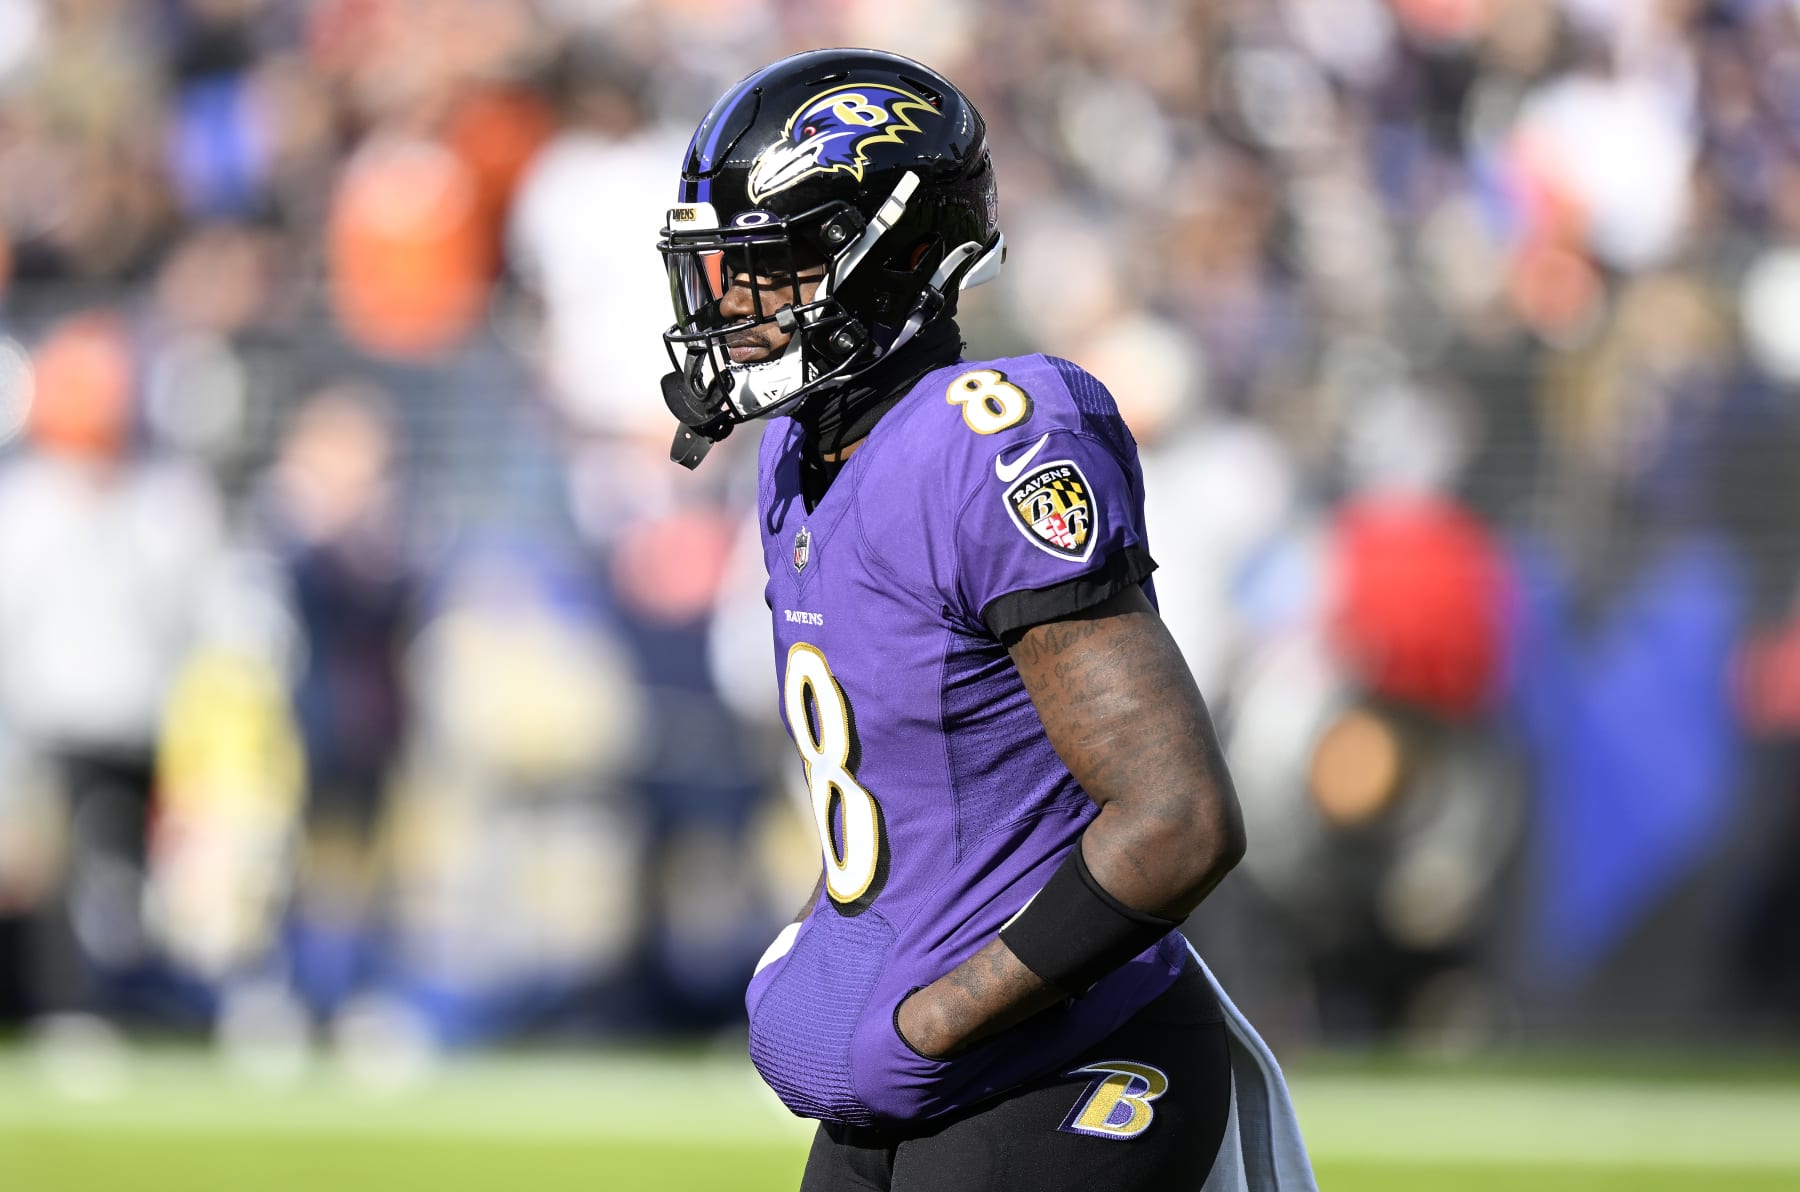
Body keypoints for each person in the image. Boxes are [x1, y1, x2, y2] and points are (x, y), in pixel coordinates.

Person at [655, 48, 1316, 1190]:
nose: (732, 303)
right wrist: (839, 958)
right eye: (724, 270)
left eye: (773, 267)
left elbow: (1178, 817)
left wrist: (931, 1018)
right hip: (911, 1096)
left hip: (1064, 1067)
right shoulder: (797, 459)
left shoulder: (993, 440)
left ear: (893, 257)